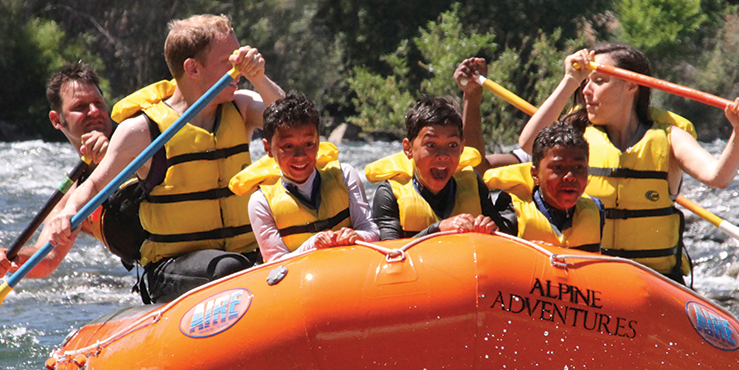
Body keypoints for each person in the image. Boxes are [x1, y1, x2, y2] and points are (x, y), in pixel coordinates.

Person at [45, 14, 285, 303]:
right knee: (229, 268)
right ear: (193, 68)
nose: (240, 68)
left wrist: (259, 77)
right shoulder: (142, 131)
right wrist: (67, 213)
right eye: (229, 62)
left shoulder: (242, 107)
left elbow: (289, 121)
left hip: (246, 255)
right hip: (175, 268)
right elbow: (95, 185)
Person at [516, 43, 739, 282]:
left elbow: (718, 177)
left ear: (631, 84)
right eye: (585, 82)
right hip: (590, 276)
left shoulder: (669, 136)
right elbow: (529, 144)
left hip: (653, 280)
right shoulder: (576, 134)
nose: (586, 91)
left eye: (599, 81)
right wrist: (570, 79)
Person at [0, 62, 113, 282]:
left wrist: (114, 152)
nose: (94, 112)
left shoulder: (137, 138)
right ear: (56, 120)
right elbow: (47, 258)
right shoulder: (71, 197)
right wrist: (9, 258)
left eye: (98, 103)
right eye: (80, 107)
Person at [229, 93, 378, 262]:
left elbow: (371, 231)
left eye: (309, 144)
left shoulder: (345, 175)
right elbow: (275, 263)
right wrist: (312, 244)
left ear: (318, 141)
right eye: (288, 146)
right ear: (268, 148)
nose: (300, 155)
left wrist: (357, 236)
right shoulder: (261, 202)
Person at [366, 95, 515, 240]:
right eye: (431, 145)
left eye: (452, 145)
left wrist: (492, 230)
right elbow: (388, 253)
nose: (443, 155)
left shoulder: (473, 183)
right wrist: (437, 229)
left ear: (462, 148)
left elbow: (504, 241)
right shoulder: (388, 194)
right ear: (408, 148)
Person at [483, 121, 604, 251]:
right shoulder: (512, 211)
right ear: (535, 175)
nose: (570, 176)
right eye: (558, 167)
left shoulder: (596, 209)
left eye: (579, 167)